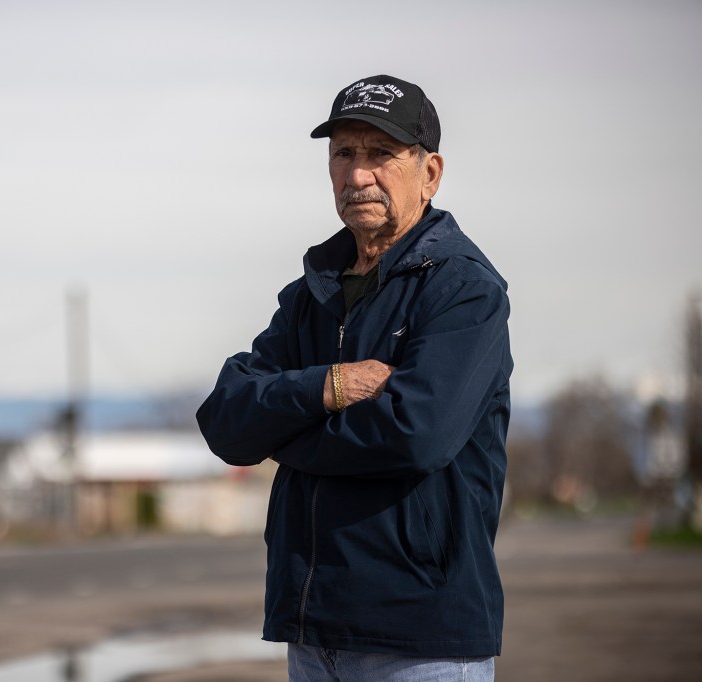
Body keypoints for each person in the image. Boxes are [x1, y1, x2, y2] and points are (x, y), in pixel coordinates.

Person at [196, 75, 512, 681]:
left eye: (381, 153)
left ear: (431, 172)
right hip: (314, 633)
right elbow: (226, 422)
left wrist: (285, 436)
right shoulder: (309, 296)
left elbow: (417, 435)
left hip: (422, 641)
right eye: (344, 153)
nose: (358, 173)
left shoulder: (465, 290)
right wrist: (328, 388)